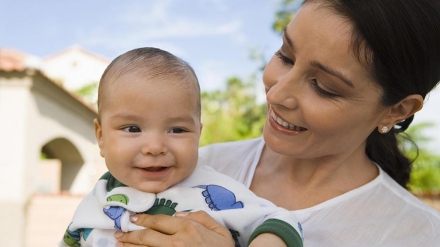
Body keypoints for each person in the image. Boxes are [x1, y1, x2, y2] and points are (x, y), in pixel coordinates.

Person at [114, 0, 440, 246]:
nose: (278, 93)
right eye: (285, 55)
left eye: (324, 87)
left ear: (396, 110)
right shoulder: (192, 167)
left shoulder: (416, 235)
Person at [59, 47, 303, 247]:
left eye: (177, 130)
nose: (155, 147)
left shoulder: (215, 190)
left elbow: (282, 222)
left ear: (198, 135)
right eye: (132, 129)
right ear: (101, 137)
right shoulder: (95, 201)